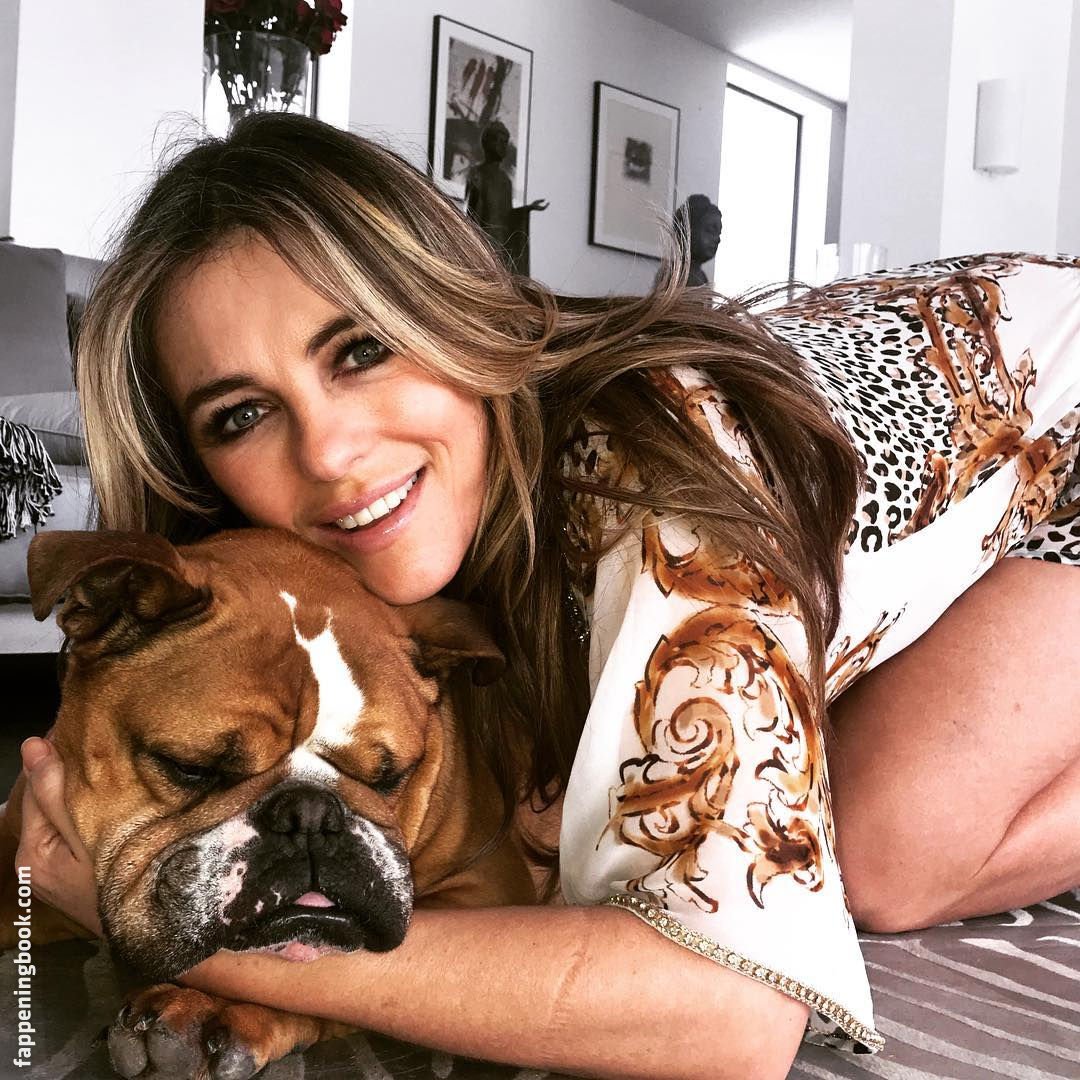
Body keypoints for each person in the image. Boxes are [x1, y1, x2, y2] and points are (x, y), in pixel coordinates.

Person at [14, 113, 1080, 1078]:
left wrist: (189, 932)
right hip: (909, 407)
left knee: (881, 859)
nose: (331, 452)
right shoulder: (275, 587)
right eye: (241, 414)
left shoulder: (656, 487)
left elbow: (731, 1017)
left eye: (363, 349)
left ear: (452, 309)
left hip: (1065, 425)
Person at [464, 119, 548, 275]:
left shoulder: (505, 181)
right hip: (483, 246)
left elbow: (508, 217)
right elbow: (472, 214)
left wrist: (527, 209)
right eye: (500, 141)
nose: (504, 147)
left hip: (502, 248)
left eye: (506, 142)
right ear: (488, 143)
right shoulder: (477, 174)